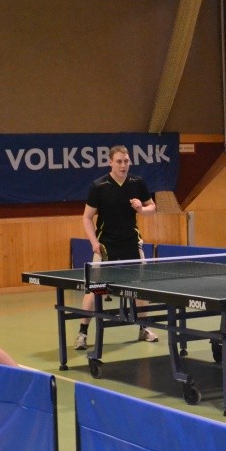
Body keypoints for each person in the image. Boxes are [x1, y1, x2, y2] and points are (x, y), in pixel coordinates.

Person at [74, 145, 159, 350]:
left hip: (131, 242)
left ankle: (143, 328)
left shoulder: (137, 183)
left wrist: (142, 209)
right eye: (119, 161)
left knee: (140, 288)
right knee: (94, 289)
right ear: (110, 162)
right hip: (106, 245)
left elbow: (152, 207)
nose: (123, 165)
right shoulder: (99, 186)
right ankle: (82, 333)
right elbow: (87, 217)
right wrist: (94, 243)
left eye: (126, 161)